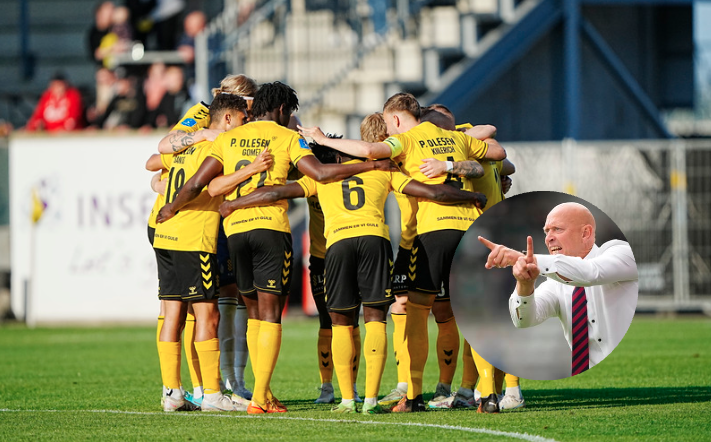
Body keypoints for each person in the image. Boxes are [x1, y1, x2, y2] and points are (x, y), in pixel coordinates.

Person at [156, 81, 398, 414]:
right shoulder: (287, 137)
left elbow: (200, 182)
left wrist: (172, 208)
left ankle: (256, 393)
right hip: (270, 230)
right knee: (270, 316)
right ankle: (259, 396)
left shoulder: (228, 139)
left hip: (235, 231)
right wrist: (369, 165)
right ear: (283, 110)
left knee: (252, 313)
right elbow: (321, 173)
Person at [215, 140, 487, 414]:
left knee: (341, 322)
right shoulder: (382, 171)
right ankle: (370, 400)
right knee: (375, 319)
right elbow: (433, 193)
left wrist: (234, 204)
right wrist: (471, 198)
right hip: (374, 241)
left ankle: (346, 399)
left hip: (338, 245)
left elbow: (273, 194)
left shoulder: (320, 177)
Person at [299, 92, 506, 412]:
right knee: (473, 313)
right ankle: (488, 394)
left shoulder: (405, 141)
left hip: (431, 232)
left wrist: (323, 139)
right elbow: (494, 155)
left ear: (395, 119)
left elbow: (369, 150)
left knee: (416, 313)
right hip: (469, 230)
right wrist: (450, 163)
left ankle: (413, 394)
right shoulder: (455, 138)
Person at [152, 93, 257, 412]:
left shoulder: (186, 145)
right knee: (207, 315)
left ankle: (172, 393)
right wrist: (252, 169)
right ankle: (213, 394)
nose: (245, 123)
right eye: (242, 117)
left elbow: (155, 164)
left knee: (172, 315)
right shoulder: (218, 147)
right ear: (227, 119)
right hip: (195, 239)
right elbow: (209, 187)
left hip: (166, 237)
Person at [479, 202, 638, 376]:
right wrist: (525, 285)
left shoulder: (621, 252)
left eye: (557, 229)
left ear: (586, 233)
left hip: (631, 371)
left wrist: (523, 258)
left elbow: (590, 273)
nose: (549, 238)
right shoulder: (555, 283)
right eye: (547, 231)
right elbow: (523, 320)